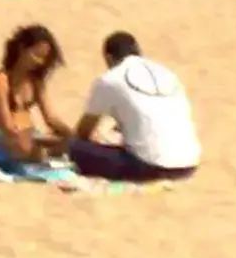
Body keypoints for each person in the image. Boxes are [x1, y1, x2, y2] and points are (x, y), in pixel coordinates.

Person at [67, 32, 200, 183]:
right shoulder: (168, 74)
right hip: (189, 163)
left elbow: (84, 131)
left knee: (75, 148)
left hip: (150, 167)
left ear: (109, 58)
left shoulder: (110, 79)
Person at [0, 24, 73, 171]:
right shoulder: (1, 80)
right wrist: (32, 140)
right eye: (36, 55)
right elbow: (6, 125)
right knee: (24, 147)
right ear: (22, 49)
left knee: (68, 144)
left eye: (44, 58)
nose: (40, 62)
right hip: (5, 137)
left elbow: (51, 118)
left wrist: (74, 136)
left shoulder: (35, 81)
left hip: (29, 135)